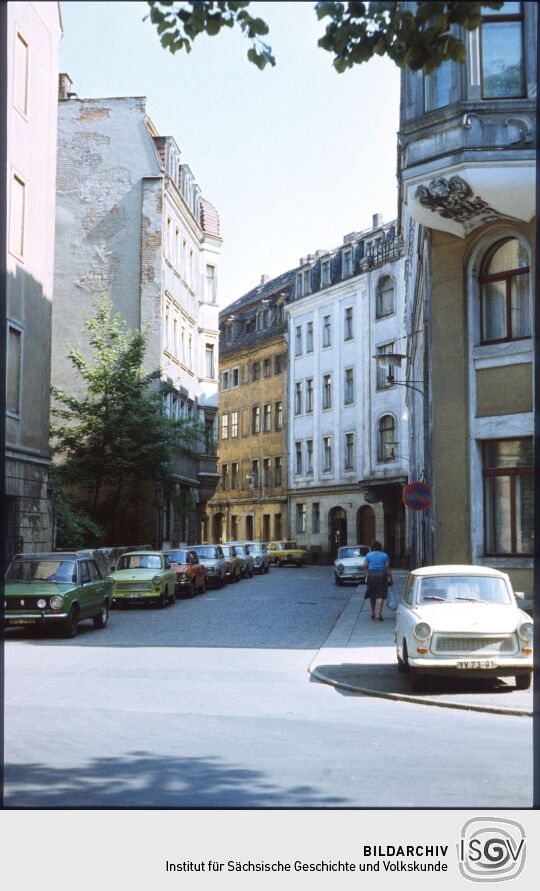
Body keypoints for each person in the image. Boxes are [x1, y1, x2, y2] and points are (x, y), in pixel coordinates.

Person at [363, 540, 393, 621]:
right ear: (380, 547)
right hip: (382, 576)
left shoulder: (368, 555)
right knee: (380, 595)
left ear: (372, 548)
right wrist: (391, 578)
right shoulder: (385, 555)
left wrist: (367, 571)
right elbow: (387, 568)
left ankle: (372, 613)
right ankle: (379, 614)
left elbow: (365, 566)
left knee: (372, 595)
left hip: (371, 575)